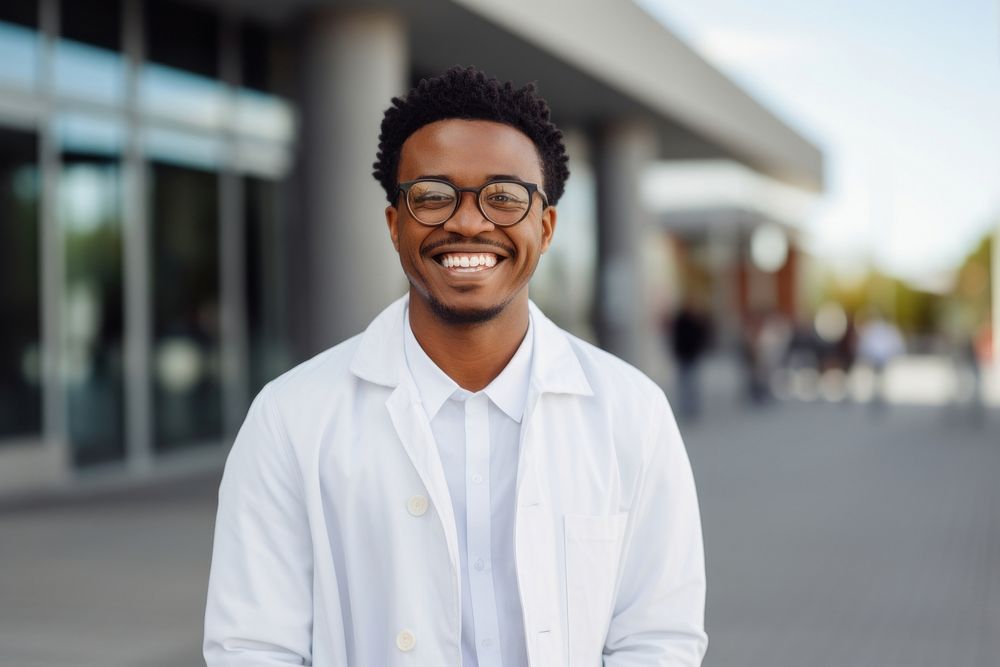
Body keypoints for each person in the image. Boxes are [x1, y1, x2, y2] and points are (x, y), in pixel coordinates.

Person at [204, 67, 707, 666]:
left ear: (544, 227)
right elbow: (253, 648)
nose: (468, 222)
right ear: (395, 225)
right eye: (435, 196)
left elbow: (659, 639)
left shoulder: (633, 413)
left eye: (503, 197)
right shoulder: (291, 418)